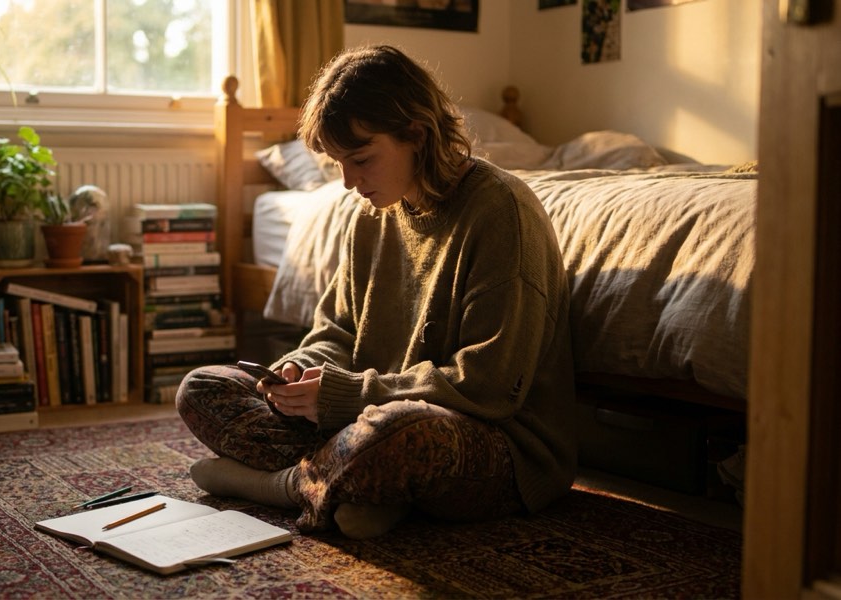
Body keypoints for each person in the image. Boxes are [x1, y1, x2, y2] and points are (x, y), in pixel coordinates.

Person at [176, 44, 576, 539]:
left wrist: (347, 397)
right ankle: (362, 490)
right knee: (203, 387)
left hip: (498, 443)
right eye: (337, 163)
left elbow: (488, 388)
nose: (348, 182)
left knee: (401, 434)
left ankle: (282, 486)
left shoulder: (501, 212)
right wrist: (297, 370)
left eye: (361, 158)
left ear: (416, 134)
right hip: (367, 417)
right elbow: (337, 331)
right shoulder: (370, 216)